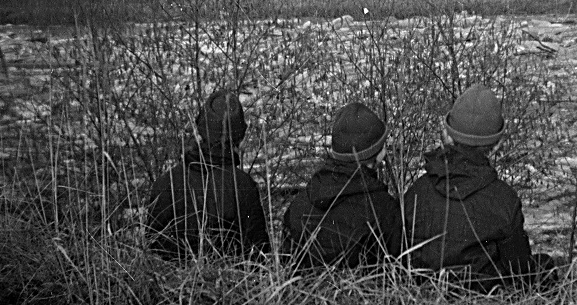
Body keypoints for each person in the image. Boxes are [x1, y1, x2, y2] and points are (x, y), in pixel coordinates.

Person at [403, 84, 556, 292]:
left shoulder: (416, 191)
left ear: (447, 136)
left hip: (423, 298)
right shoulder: (504, 200)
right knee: (545, 267)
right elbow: (521, 274)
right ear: (497, 145)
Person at [147, 90, 270, 260]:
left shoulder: (167, 182)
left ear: (200, 129)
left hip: (171, 284)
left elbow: (152, 249)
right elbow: (258, 253)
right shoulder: (242, 185)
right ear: (239, 137)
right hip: (232, 284)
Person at [281, 102, 402, 268]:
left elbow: (286, 263)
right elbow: (395, 273)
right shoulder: (384, 211)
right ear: (380, 154)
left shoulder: (299, 205)